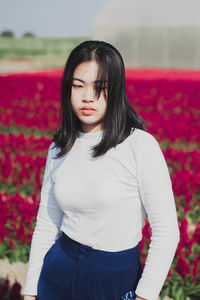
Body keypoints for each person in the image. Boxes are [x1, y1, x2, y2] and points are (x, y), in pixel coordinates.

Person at [23, 40, 180, 300]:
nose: (88, 97)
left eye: (101, 88)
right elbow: (47, 223)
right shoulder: (59, 147)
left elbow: (167, 232)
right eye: (78, 86)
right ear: (67, 88)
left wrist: (144, 296)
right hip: (58, 272)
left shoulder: (139, 145)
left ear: (116, 91)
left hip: (114, 277)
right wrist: (30, 290)